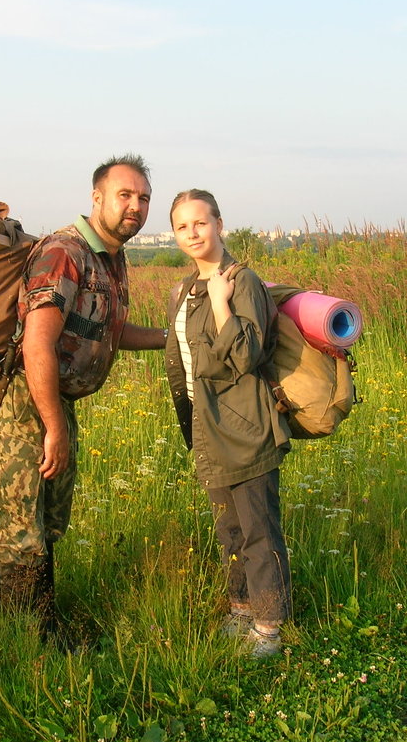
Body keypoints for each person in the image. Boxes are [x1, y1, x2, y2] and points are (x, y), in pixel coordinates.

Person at [0, 153, 165, 640]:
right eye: (125, 195)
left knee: (48, 522)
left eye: (143, 198)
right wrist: (54, 427)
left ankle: (39, 629)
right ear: (97, 198)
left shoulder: (111, 258)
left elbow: (113, 330)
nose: (135, 206)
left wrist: (177, 337)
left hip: (54, 403)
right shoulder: (65, 251)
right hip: (27, 401)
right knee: (21, 526)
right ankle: (19, 642)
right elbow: (37, 341)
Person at [163, 189, 293, 658]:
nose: (192, 233)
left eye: (201, 223)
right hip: (209, 428)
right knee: (230, 530)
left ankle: (269, 626)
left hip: (246, 427)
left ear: (220, 224)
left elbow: (245, 355)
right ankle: (242, 610)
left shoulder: (242, 282)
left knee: (258, 528)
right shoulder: (183, 290)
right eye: (182, 226)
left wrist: (221, 302)